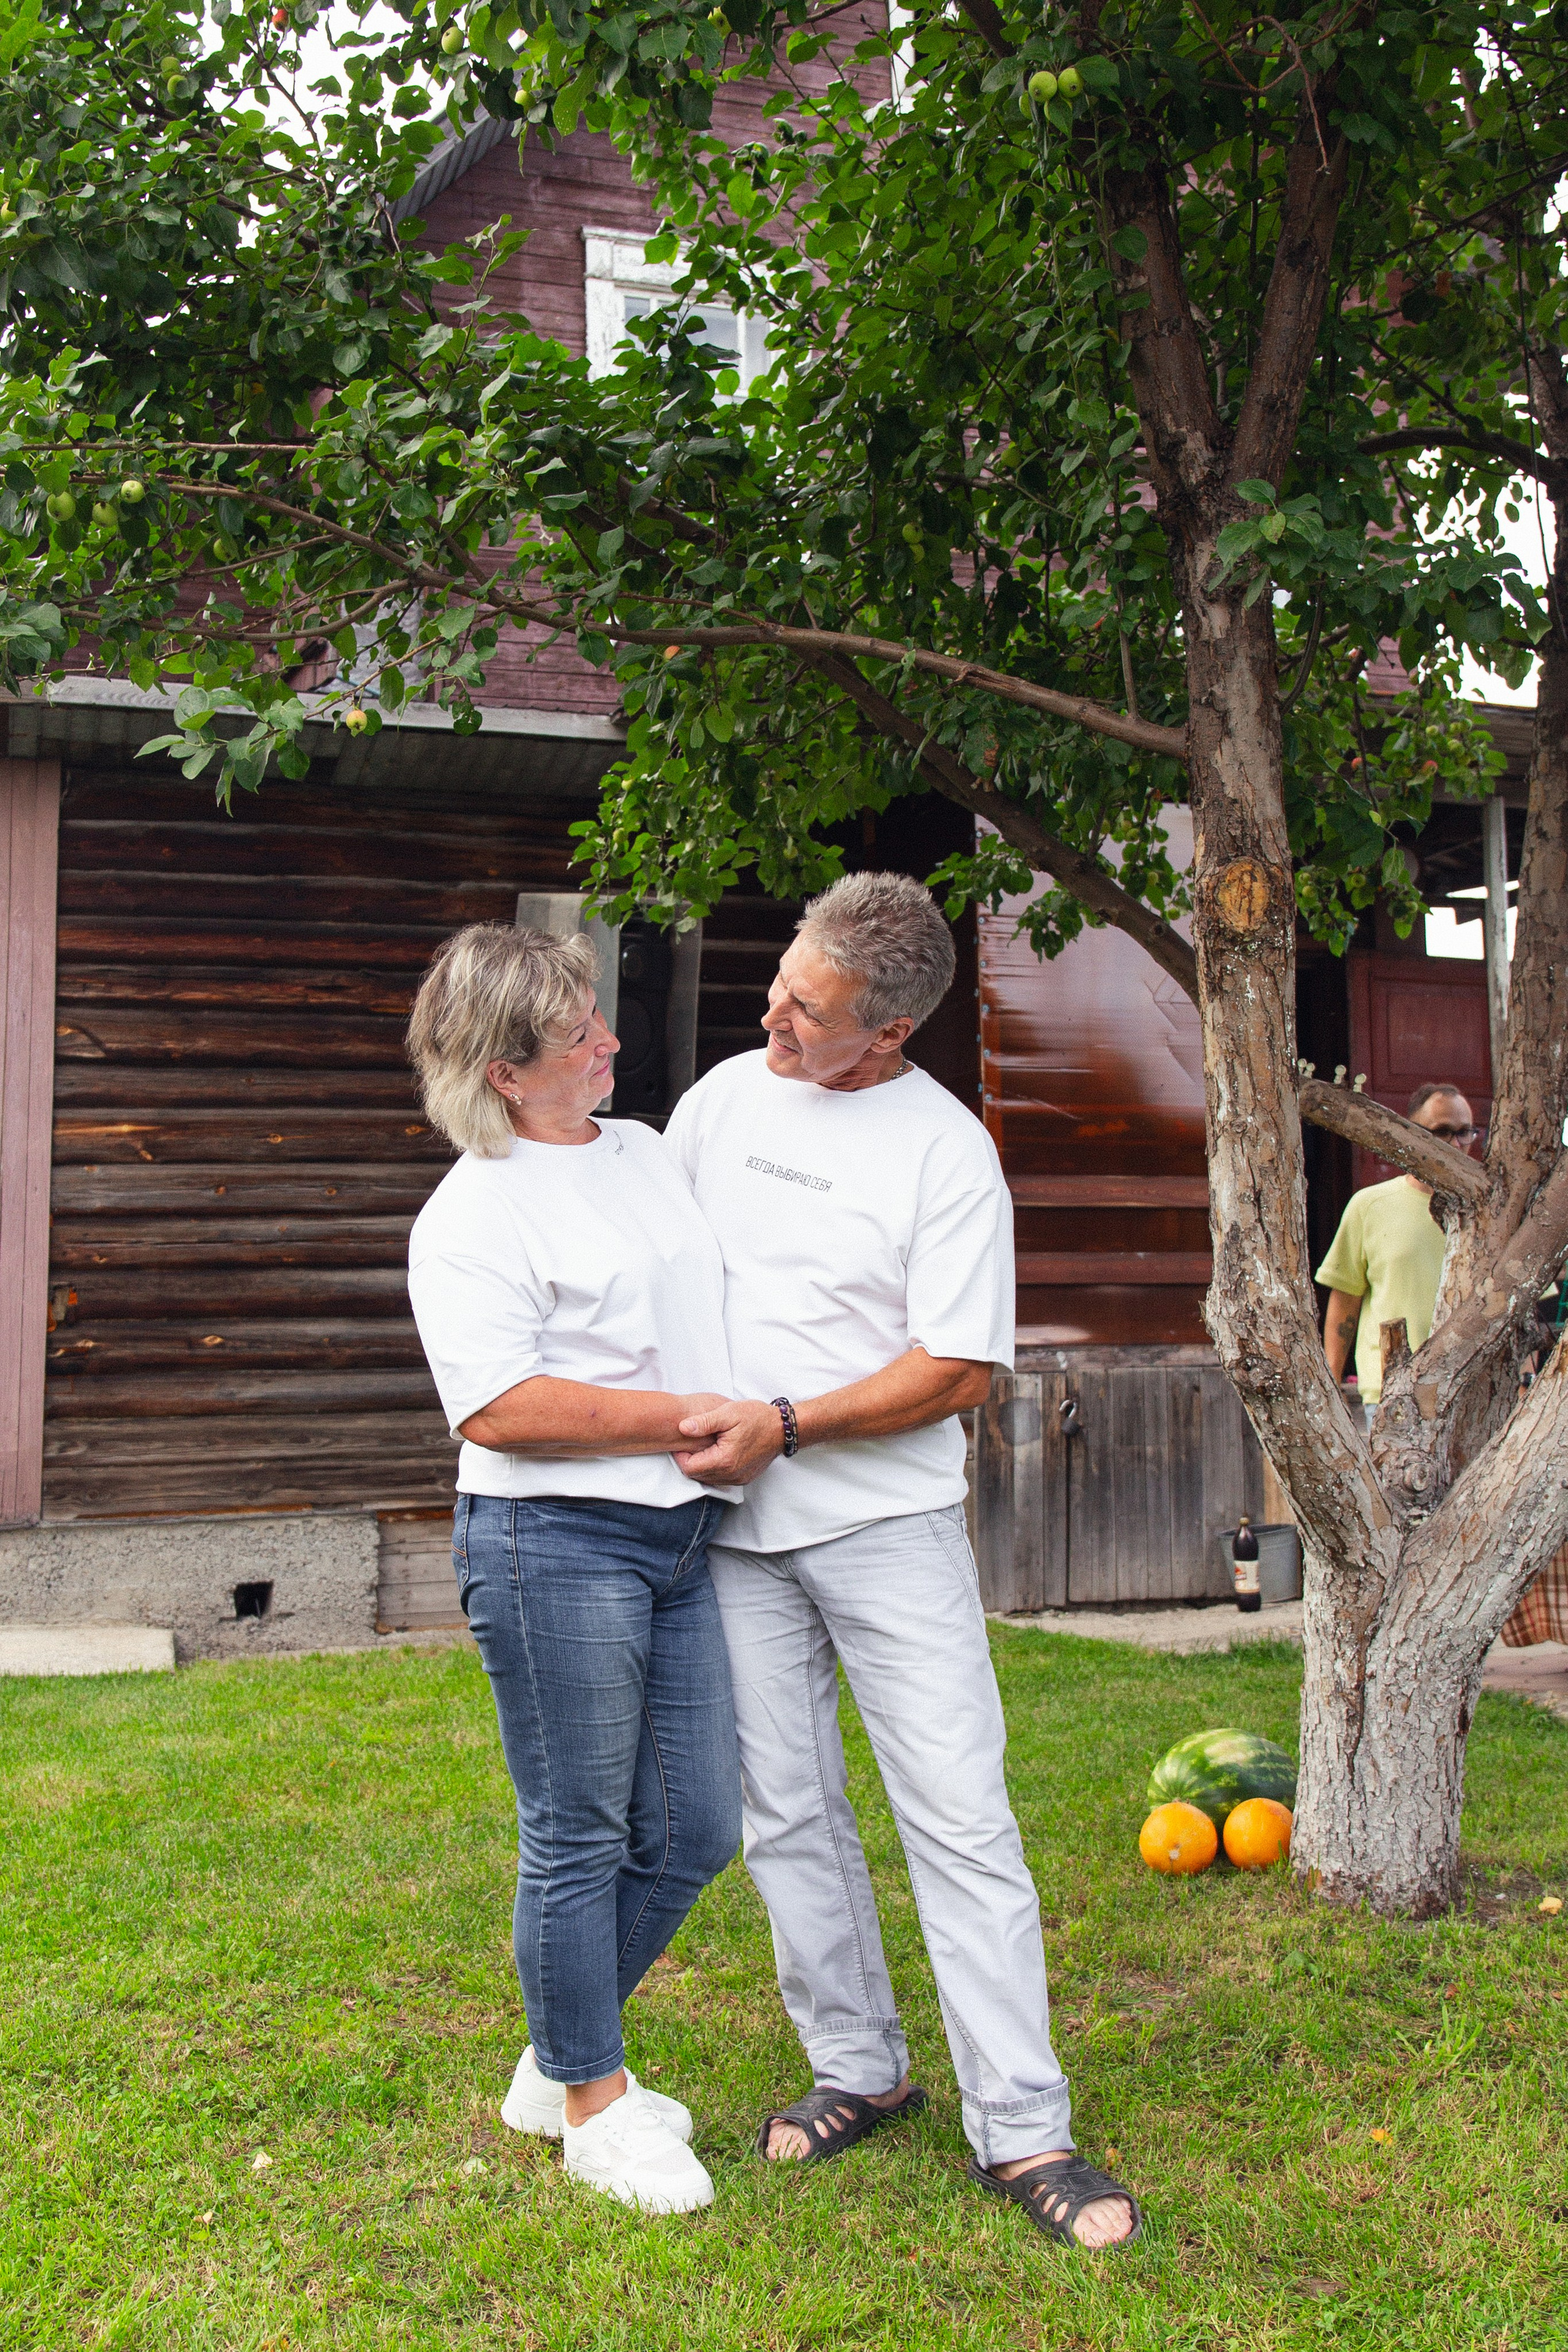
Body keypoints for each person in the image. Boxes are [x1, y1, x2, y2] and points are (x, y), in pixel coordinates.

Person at [665, 872, 1140, 2252]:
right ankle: (857, 2066)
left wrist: (789, 1424)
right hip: (732, 1538)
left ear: (888, 1034)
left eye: (806, 1013)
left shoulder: (945, 1152)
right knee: (787, 1813)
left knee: (957, 1819)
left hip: (886, 1531)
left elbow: (956, 1371)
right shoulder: (719, 1101)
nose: (773, 1018)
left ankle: (1024, 2129)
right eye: (781, 985)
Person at [405, 923, 742, 2216]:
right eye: (579, 1035)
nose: (611, 1043)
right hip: (553, 1546)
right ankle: (593, 2108)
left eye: (599, 1019)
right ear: (504, 1070)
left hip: (674, 1536)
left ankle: (554, 2062)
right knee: (579, 1834)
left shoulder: (645, 1152)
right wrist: (681, 1421)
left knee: (699, 1822)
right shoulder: (470, 1214)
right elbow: (494, 1405)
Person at [1316, 1081, 1480, 1423]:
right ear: (1411, 1134)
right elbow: (1345, 1300)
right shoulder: (1369, 1205)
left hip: (1477, 1388)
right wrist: (1330, 1385)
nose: (1455, 1144)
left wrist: (1524, 1379)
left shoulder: (1490, 1210)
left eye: (1465, 1132)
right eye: (1442, 1132)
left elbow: (1520, 1305)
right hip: (1394, 1392)